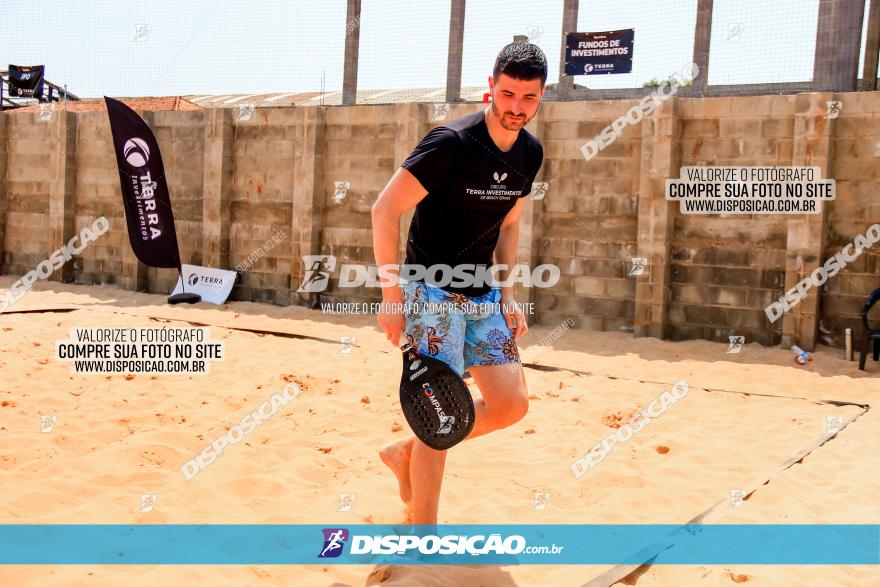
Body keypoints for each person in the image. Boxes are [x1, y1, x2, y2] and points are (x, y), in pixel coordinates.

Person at [371, 42, 547, 525]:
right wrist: (392, 296)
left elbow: (509, 225)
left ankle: (405, 449)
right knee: (441, 407)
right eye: (507, 94)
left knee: (511, 404)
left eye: (528, 98)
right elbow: (384, 211)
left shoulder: (530, 153)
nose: (516, 108)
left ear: (541, 96)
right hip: (428, 292)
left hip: (482, 292)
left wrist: (508, 294)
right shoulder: (452, 143)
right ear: (491, 87)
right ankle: (421, 534)